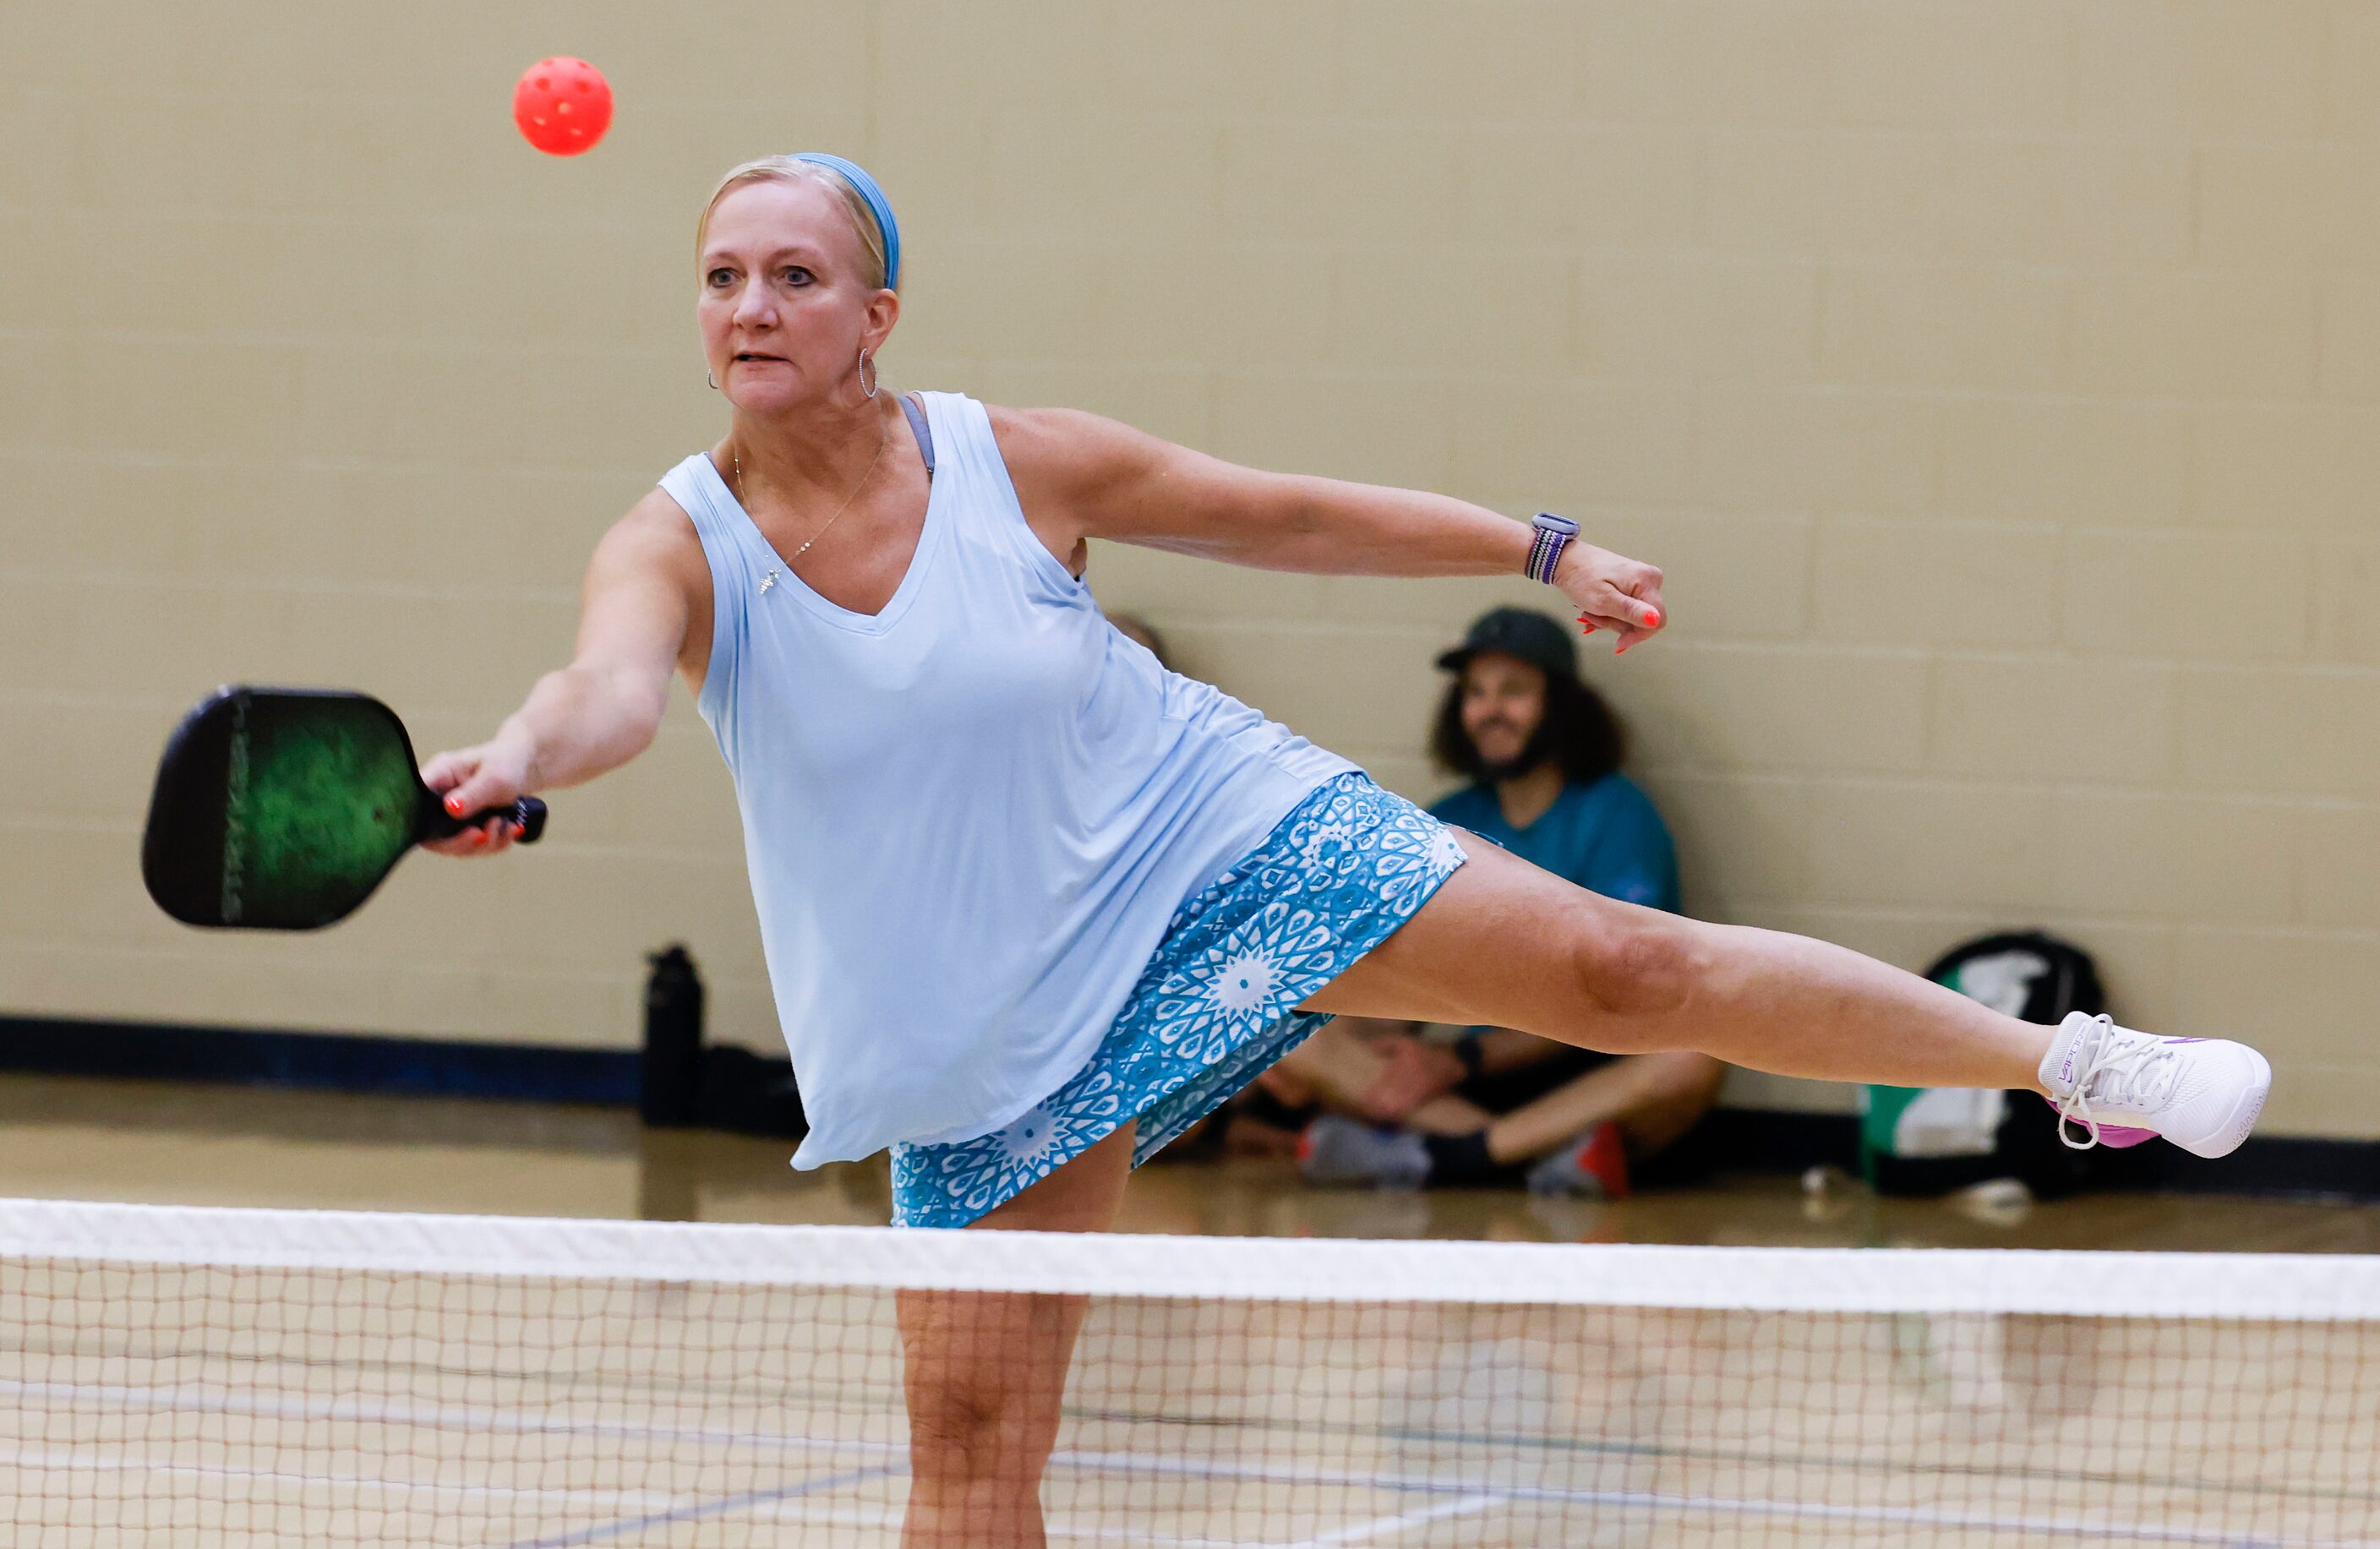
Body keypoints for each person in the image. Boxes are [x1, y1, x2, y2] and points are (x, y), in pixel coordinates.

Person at [418, 153, 2273, 1547]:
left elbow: (1287, 517)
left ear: (876, 313)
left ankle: (2073, 1066)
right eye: (722, 275)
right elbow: (607, 691)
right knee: (974, 1458)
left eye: (796, 274)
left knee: (1628, 970)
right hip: (986, 1013)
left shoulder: (1019, 461)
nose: (752, 304)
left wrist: (1534, 550)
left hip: (1202, 836)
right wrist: (513, 754)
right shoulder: (674, 539)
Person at [1285, 606, 1724, 1198]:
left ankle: (1444, 1157)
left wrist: (1461, 1060)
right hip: (1461, 1078)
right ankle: (1524, 1153)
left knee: (1694, 1058)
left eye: (1513, 691)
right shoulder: (1450, 819)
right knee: (1288, 1026)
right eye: (1476, 692)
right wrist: (1365, 1030)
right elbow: (1405, 966)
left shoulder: (1619, 815)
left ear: (1560, 705)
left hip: (1580, 1067)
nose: (1490, 710)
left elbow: (1623, 988)